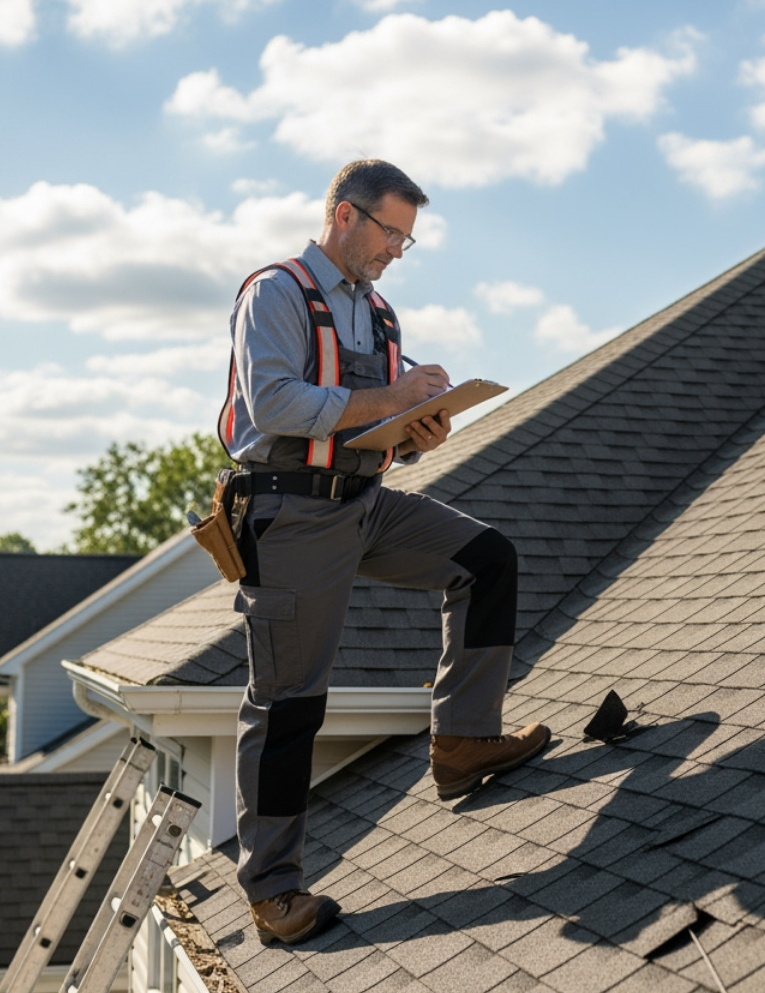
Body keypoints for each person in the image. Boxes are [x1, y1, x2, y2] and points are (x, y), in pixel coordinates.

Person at [217, 159, 550, 947]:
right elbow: (276, 404)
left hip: (363, 501)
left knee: (488, 558)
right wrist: (395, 399)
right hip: (289, 514)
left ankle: (463, 742)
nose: (397, 250)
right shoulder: (276, 292)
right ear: (343, 214)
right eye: (390, 231)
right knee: (290, 700)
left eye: (407, 238)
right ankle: (272, 892)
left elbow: (374, 426)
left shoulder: (380, 314)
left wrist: (419, 429)